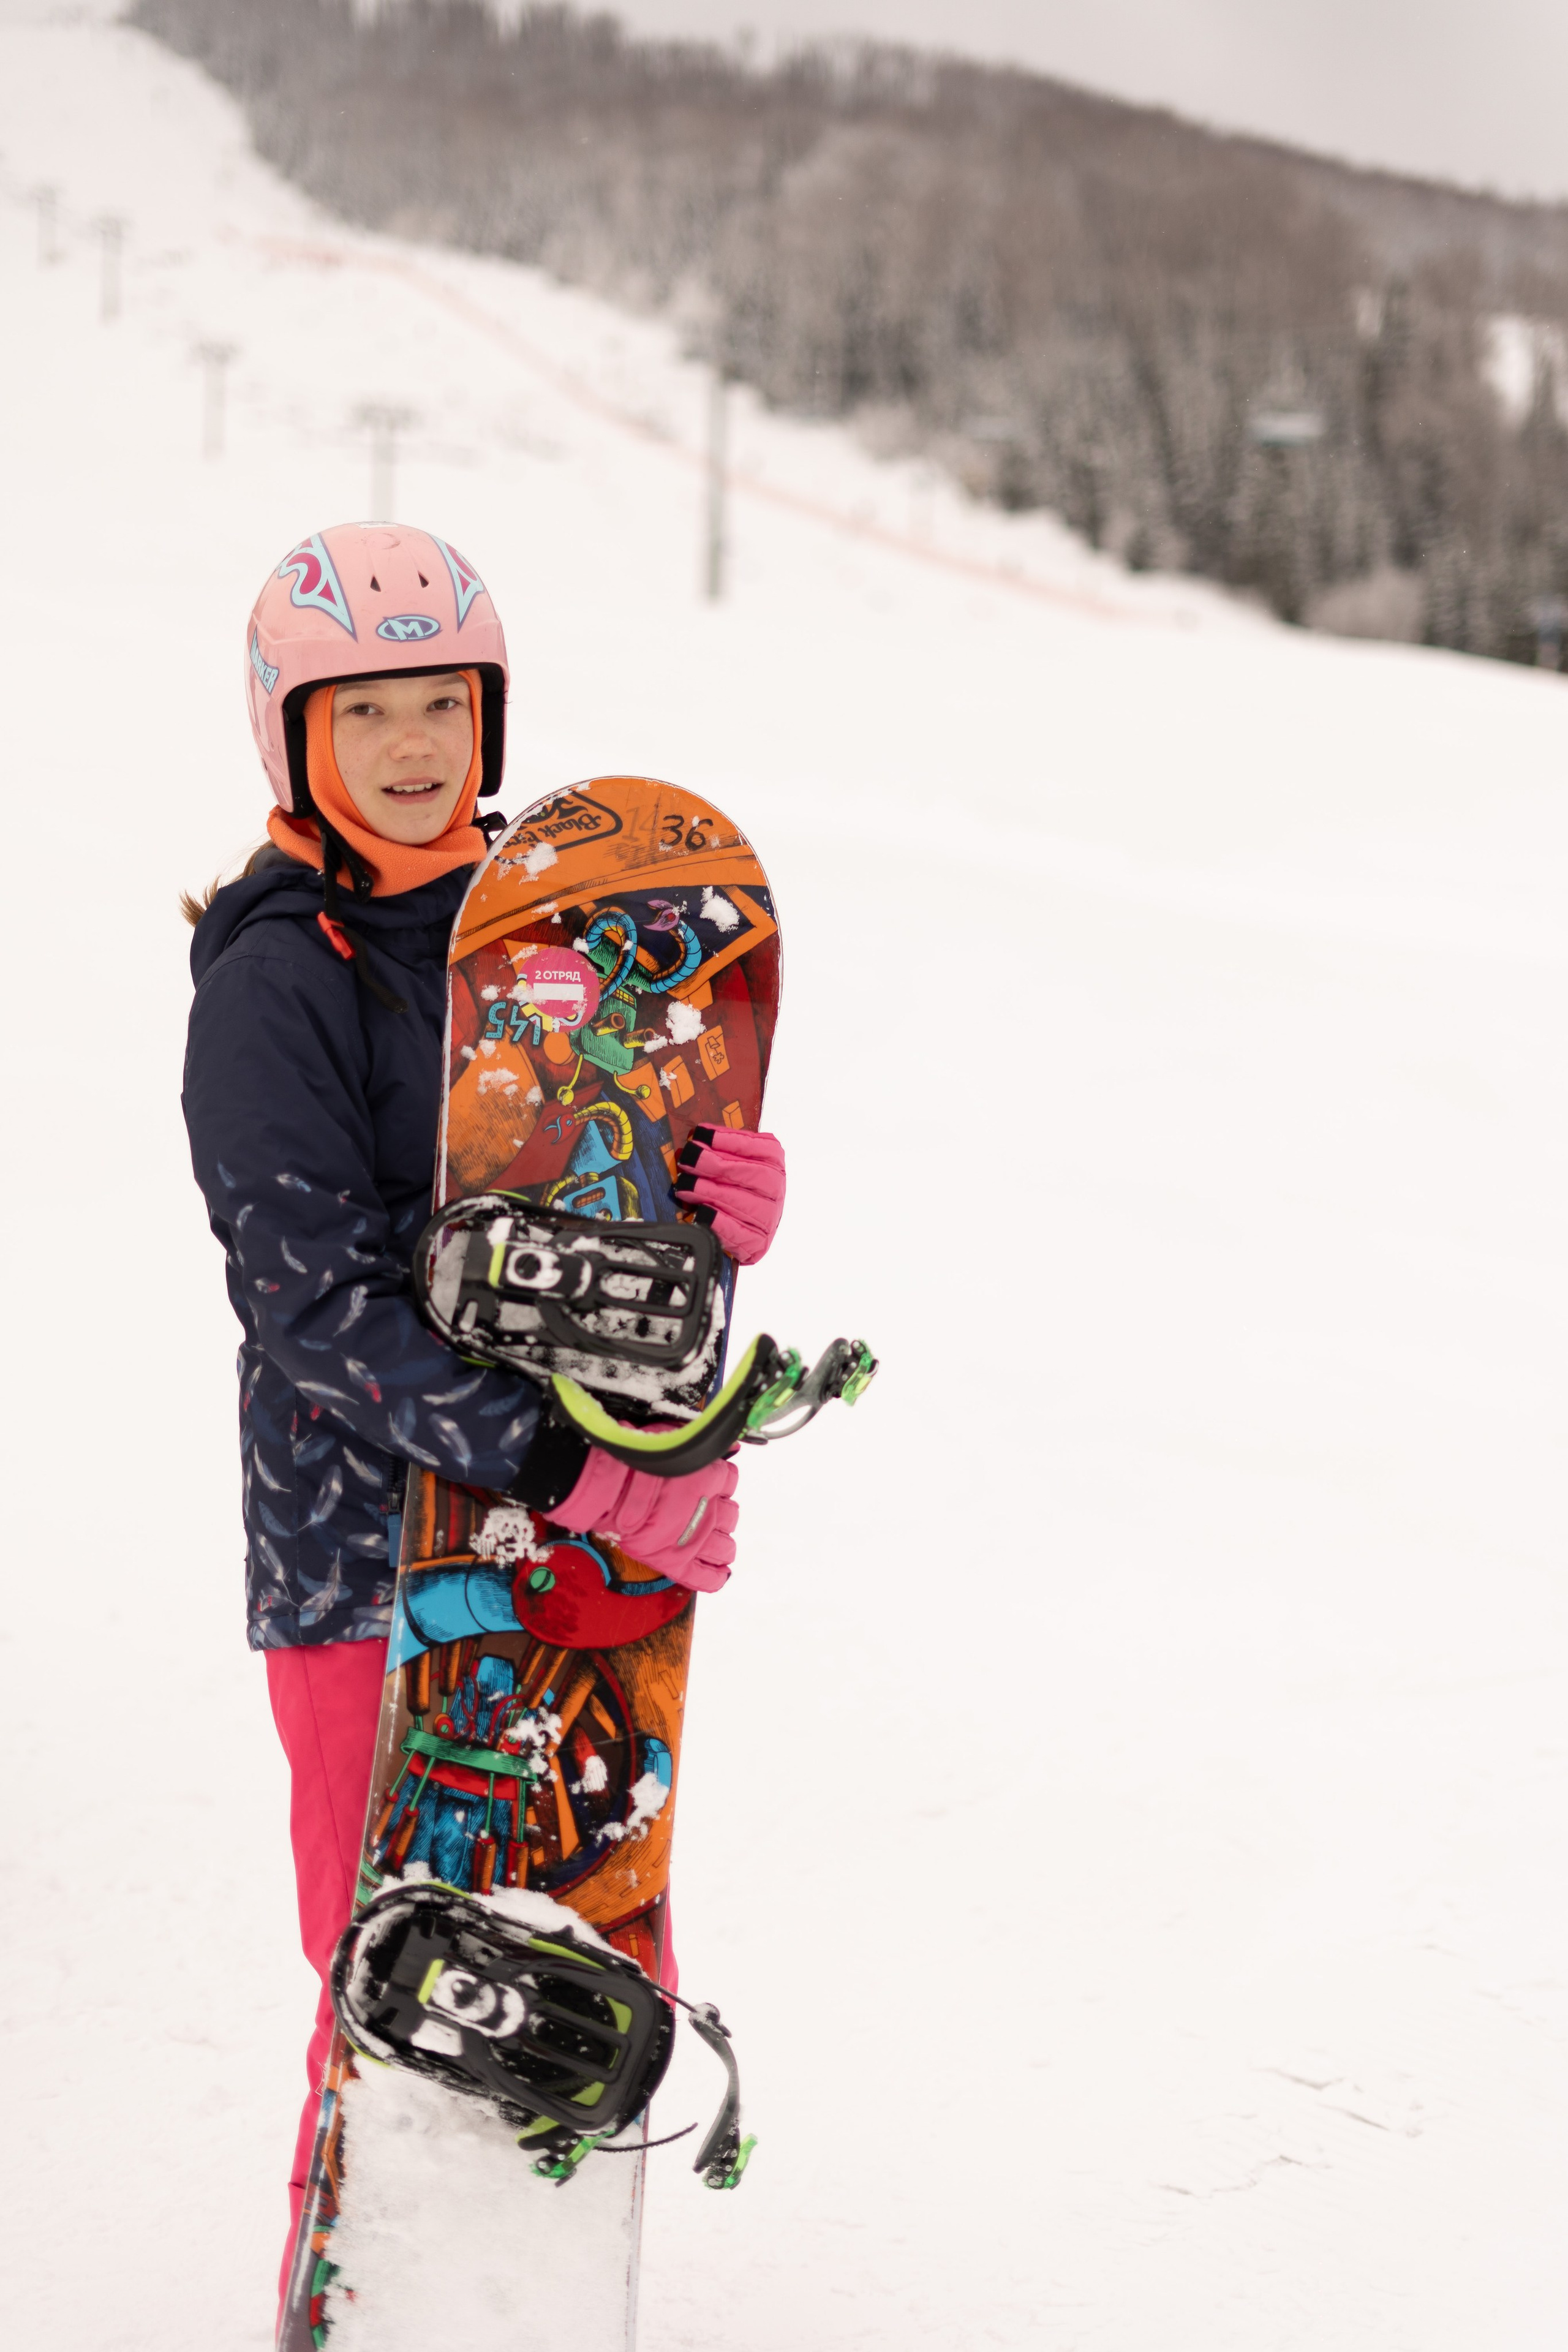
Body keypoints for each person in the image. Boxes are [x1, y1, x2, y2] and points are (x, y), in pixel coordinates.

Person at [180, 521, 786, 2301]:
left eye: (443, 700)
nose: (414, 745)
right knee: (403, 1967)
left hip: (566, 1537)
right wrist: (565, 1462)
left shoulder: (557, 930)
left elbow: (599, 1198)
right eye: (363, 710)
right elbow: (309, 1305)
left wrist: (714, 1206)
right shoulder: (276, 972)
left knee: (574, 1957)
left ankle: (520, 2297)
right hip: (364, 1544)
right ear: (293, 735)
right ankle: (358, 2302)